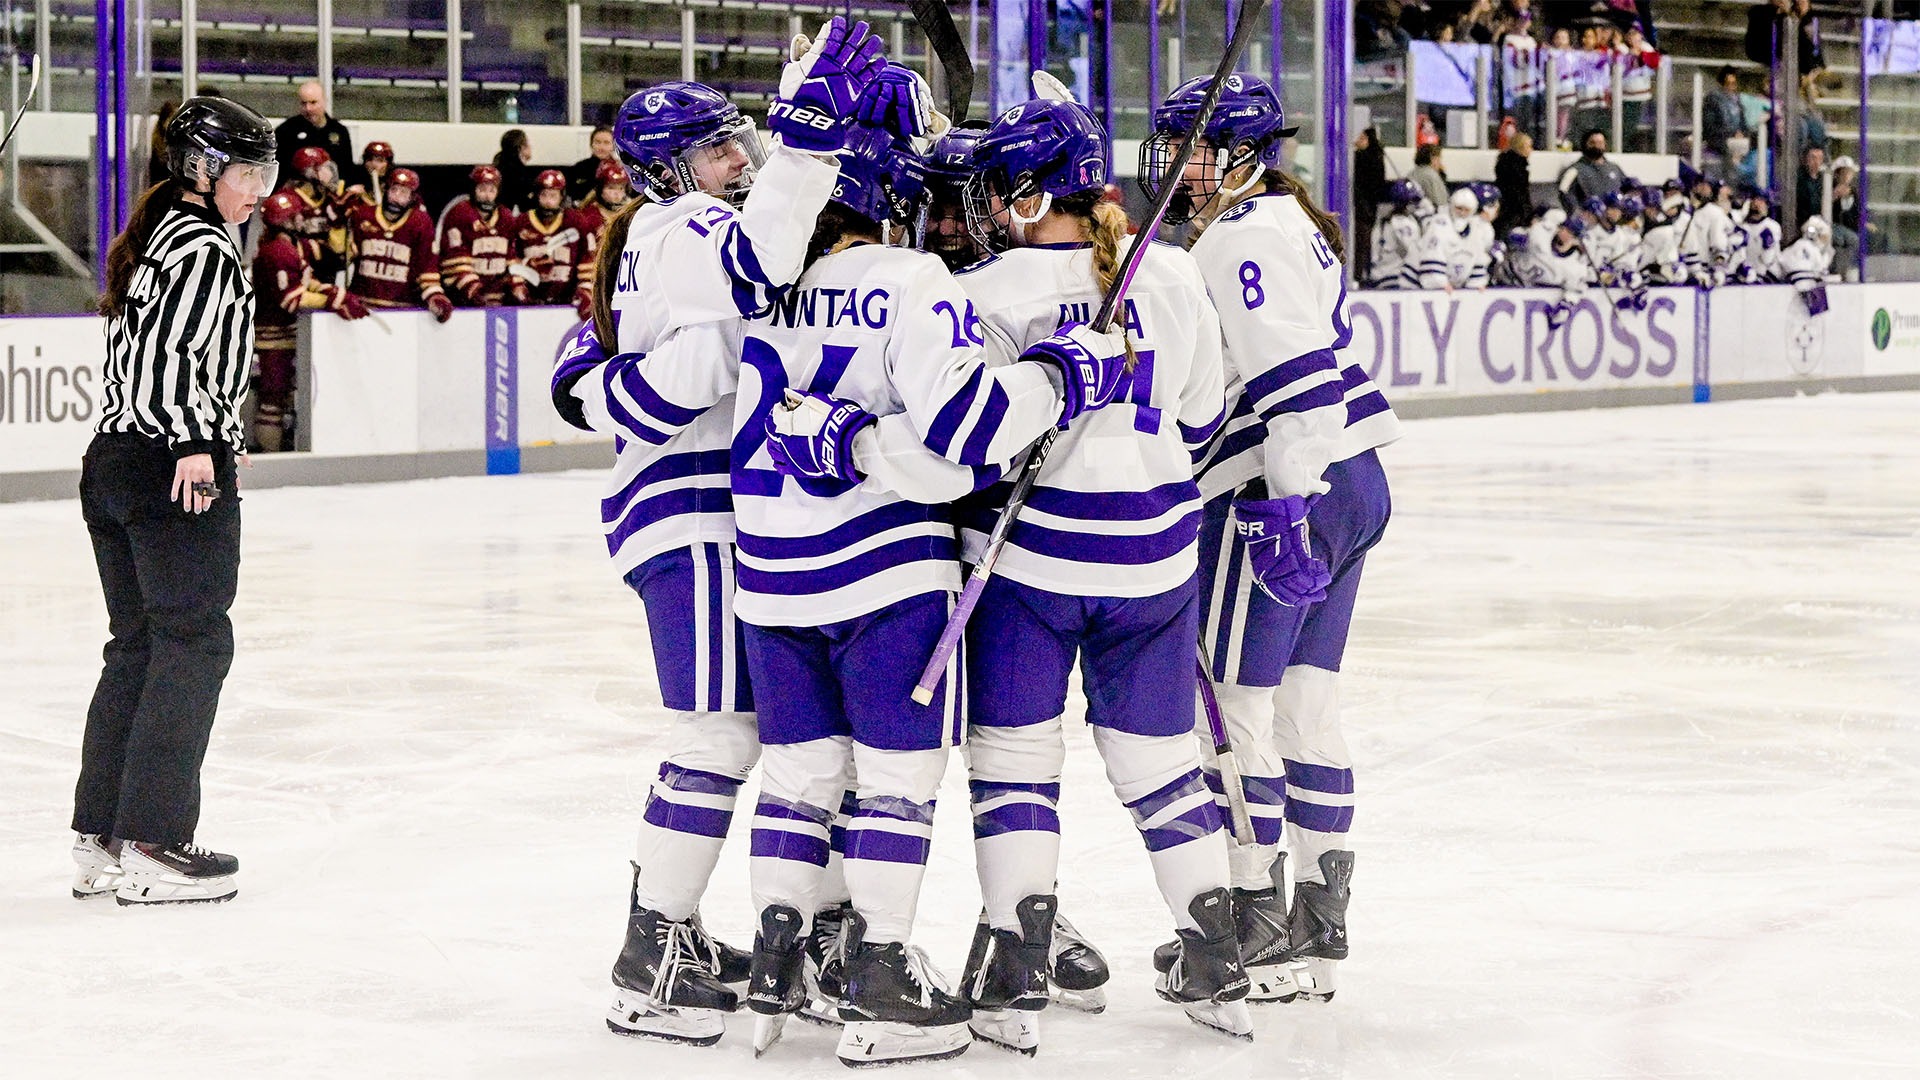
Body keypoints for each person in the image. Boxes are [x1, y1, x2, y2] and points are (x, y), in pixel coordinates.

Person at [547, 21, 893, 1048]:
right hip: (693, 510)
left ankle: (770, 933)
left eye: (742, 140)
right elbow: (753, 275)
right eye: (719, 148)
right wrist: (807, 143)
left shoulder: (680, 230)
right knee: (721, 734)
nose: (736, 160)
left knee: (787, 737)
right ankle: (651, 957)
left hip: (730, 510)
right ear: (666, 170)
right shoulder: (680, 228)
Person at [959, 94, 1243, 1045]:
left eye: (1003, 190)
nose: (993, 207)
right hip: (1158, 557)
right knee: (1163, 766)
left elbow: (974, 442)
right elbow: (1202, 414)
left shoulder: (989, 290)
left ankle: (1015, 975)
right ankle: (1216, 956)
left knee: (1014, 768)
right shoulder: (1170, 270)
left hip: (1031, 563)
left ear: (1034, 192)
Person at [1143, 72, 1401, 1008]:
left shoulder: (1239, 242)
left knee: (1232, 714)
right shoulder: (1284, 224)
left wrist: (1284, 506)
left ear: (1243, 155)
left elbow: (1296, 382)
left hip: (1281, 485)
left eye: (1193, 147)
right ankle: (1319, 925)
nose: (1176, 164)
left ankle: (1255, 918)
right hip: (1355, 479)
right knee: (1306, 709)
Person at [75, 96, 280, 906]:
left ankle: (103, 837)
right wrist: (200, 443)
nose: (260, 189)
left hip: (117, 462)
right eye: (247, 172)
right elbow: (173, 355)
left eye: (266, 172)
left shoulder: (160, 236)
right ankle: (157, 842)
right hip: (168, 466)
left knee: (138, 646)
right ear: (201, 170)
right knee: (192, 645)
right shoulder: (204, 245)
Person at [252, 189, 367, 452]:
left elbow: (304, 282)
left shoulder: (289, 246)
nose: (302, 220)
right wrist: (331, 301)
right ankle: (270, 449)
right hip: (274, 336)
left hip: (285, 333)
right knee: (274, 394)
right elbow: (291, 299)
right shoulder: (278, 252)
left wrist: (330, 291)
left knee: (285, 392)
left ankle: (277, 444)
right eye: (297, 216)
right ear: (286, 220)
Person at [345, 167, 453, 322]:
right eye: (394, 190)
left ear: (412, 197)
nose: (396, 197)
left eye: (403, 193)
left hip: (402, 310)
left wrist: (434, 295)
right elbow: (346, 257)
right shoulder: (363, 215)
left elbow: (426, 265)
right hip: (363, 307)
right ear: (386, 190)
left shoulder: (420, 223)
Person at [509, 168, 595, 314]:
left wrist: (585, 290)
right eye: (544, 195)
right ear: (536, 196)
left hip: (568, 303)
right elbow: (512, 257)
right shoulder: (522, 222)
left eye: (553, 196)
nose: (548, 202)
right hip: (530, 302)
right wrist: (518, 285)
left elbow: (588, 257)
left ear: (562, 197)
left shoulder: (576, 221)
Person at [437, 165, 521, 306]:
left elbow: (511, 256)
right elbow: (453, 257)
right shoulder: (459, 214)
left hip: (498, 299)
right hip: (464, 300)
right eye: (482, 190)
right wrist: (472, 287)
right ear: (473, 190)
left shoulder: (506, 217)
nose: (487, 196)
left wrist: (517, 286)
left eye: (492, 190)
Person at [275, 146, 352, 285]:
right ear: (310, 172)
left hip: (325, 269)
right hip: (296, 270)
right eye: (325, 168)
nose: (330, 173)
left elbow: (339, 246)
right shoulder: (287, 200)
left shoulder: (330, 198)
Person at [274, 80, 354, 186]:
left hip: (331, 195)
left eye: (313, 102)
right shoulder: (286, 131)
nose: (308, 108)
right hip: (296, 195)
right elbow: (278, 170)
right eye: (304, 103)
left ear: (324, 101)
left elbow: (347, 170)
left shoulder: (340, 131)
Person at [1369, 179, 1427, 289]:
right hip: (1394, 277)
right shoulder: (1403, 223)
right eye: (1414, 200)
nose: (1416, 205)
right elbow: (1414, 250)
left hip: (1379, 275)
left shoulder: (1383, 221)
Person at [1352, 128, 1388, 284]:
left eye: (1361, 138)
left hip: (1362, 208)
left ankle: (1359, 274)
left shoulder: (1361, 158)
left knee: (1361, 242)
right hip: (1371, 208)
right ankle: (1365, 272)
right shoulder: (1378, 158)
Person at [1557, 129, 1625, 211]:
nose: (1597, 146)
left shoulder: (1614, 168)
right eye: (1592, 143)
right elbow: (1564, 191)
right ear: (1585, 145)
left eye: (1600, 143)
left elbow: (1627, 189)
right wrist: (1576, 212)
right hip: (1589, 218)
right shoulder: (1575, 170)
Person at [1494, 131, 1532, 234]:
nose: (1531, 150)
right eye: (1528, 147)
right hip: (1513, 212)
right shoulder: (1518, 168)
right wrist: (1528, 215)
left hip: (1505, 209)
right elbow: (1521, 194)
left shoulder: (1504, 163)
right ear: (1520, 147)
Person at [1702, 67, 1744, 162]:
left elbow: (1742, 122)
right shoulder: (1713, 99)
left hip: (1735, 145)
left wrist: (1741, 133)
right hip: (1719, 147)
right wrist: (1732, 133)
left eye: (1734, 84)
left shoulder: (1737, 100)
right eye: (1728, 84)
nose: (1732, 87)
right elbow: (1709, 127)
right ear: (1722, 84)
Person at [569, 125, 618, 201]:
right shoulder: (578, 169)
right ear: (591, 144)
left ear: (614, 146)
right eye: (597, 142)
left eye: (606, 143)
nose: (601, 147)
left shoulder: (620, 169)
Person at [494, 128, 538, 211]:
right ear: (521, 148)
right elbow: (525, 205)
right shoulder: (519, 174)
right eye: (528, 143)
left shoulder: (499, 165)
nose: (531, 146)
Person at [1409, 143, 1448, 210]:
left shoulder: (1411, 173)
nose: (1440, 163)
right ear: (1433, 159)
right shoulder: (1431, 176)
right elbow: (1440, 203)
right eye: (1439, 159)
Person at [357, 141, 395, 207]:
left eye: (380, 160)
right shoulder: (356, 184)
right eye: (369, 159)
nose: (373, 164)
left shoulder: (395, 187)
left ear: (388, 164)